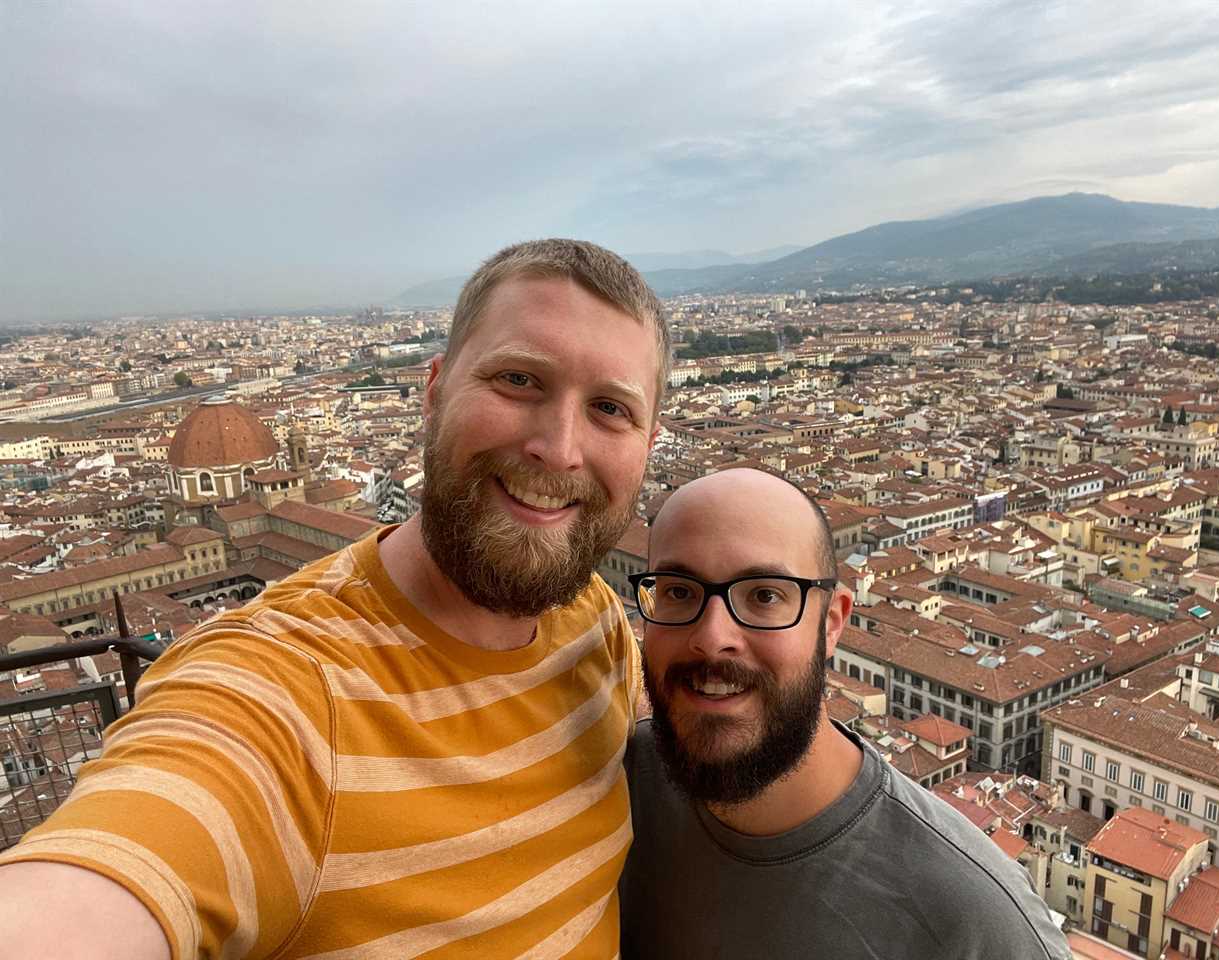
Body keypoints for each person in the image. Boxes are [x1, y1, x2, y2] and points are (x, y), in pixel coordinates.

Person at [0, 239, 671, 960]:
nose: (560, 448)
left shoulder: (593, 618)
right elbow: (111, 868)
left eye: (609, 408)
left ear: (649, 441)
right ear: (434, 391)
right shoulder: (279, 693)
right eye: (518, 380)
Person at [619, 468, 1071, 960]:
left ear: (832, 623)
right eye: (678, 591)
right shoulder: (612, 784)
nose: (712, 637)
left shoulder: (975, 921)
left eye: (765, 595)